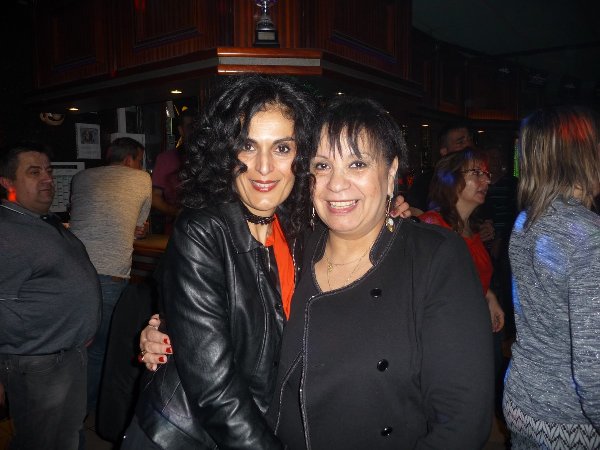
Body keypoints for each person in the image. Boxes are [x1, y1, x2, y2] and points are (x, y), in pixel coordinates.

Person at [262, 96, 494, 449]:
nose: (336, 184)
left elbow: (462, 422)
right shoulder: (292, 249)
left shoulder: (433, 256)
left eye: (357, 164)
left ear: (390, 173)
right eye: (322, 166)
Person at [121, 74, 320, 449]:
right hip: (188, 436)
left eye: (282, 148)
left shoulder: (299, 230)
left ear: (302, 156)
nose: (264, 167)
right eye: (247, 146)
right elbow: (214, 389)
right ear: (225, 153)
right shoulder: (203, 231)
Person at [503, 106, 600, 448]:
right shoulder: (589, 237)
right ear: (584, 154)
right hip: (568, 417)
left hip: (523, 396)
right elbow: (593, 367)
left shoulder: (526, 221)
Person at [0, 144, 101, 450]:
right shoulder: (6, 231)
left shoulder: (41, 220)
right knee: (42, 442)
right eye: (34, 172)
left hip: (66, 355)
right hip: (39, 363)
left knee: (65, 435)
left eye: (48, 171)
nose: (47, 179)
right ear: (7, 182)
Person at [69, 137, 152, 414]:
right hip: (109, 276)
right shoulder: (141, 178)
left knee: (73, 346)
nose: (139, 166)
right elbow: (139, 226)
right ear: (129, 160)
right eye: (139, 160)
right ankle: (85, 411)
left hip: (71, 272)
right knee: (101, 348)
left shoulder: (81, 177)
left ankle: (68, 411)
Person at [419, 148, 505, 333]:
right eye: (477, 173)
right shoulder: (431, 226)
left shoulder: (473, 230)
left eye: (487, 174)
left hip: (472, 327)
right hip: (445, 332)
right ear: (450, 179)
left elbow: (472, 279)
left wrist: (489, 296)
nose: (487, 181)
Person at [406, 123, 474, 214]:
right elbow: (414, 216)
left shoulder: (479, 179)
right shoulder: (426, 182)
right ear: (444, 151)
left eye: (469, 140)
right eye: (460, 142)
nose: (468, 145)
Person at [151, 107, 196, 235]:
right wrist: (177, 212)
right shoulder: (166, 159)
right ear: (181, 130)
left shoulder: (212, 157)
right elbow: (155, 197)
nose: (195, 131)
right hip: (176, 230)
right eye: (190, 127)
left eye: (198, 127)